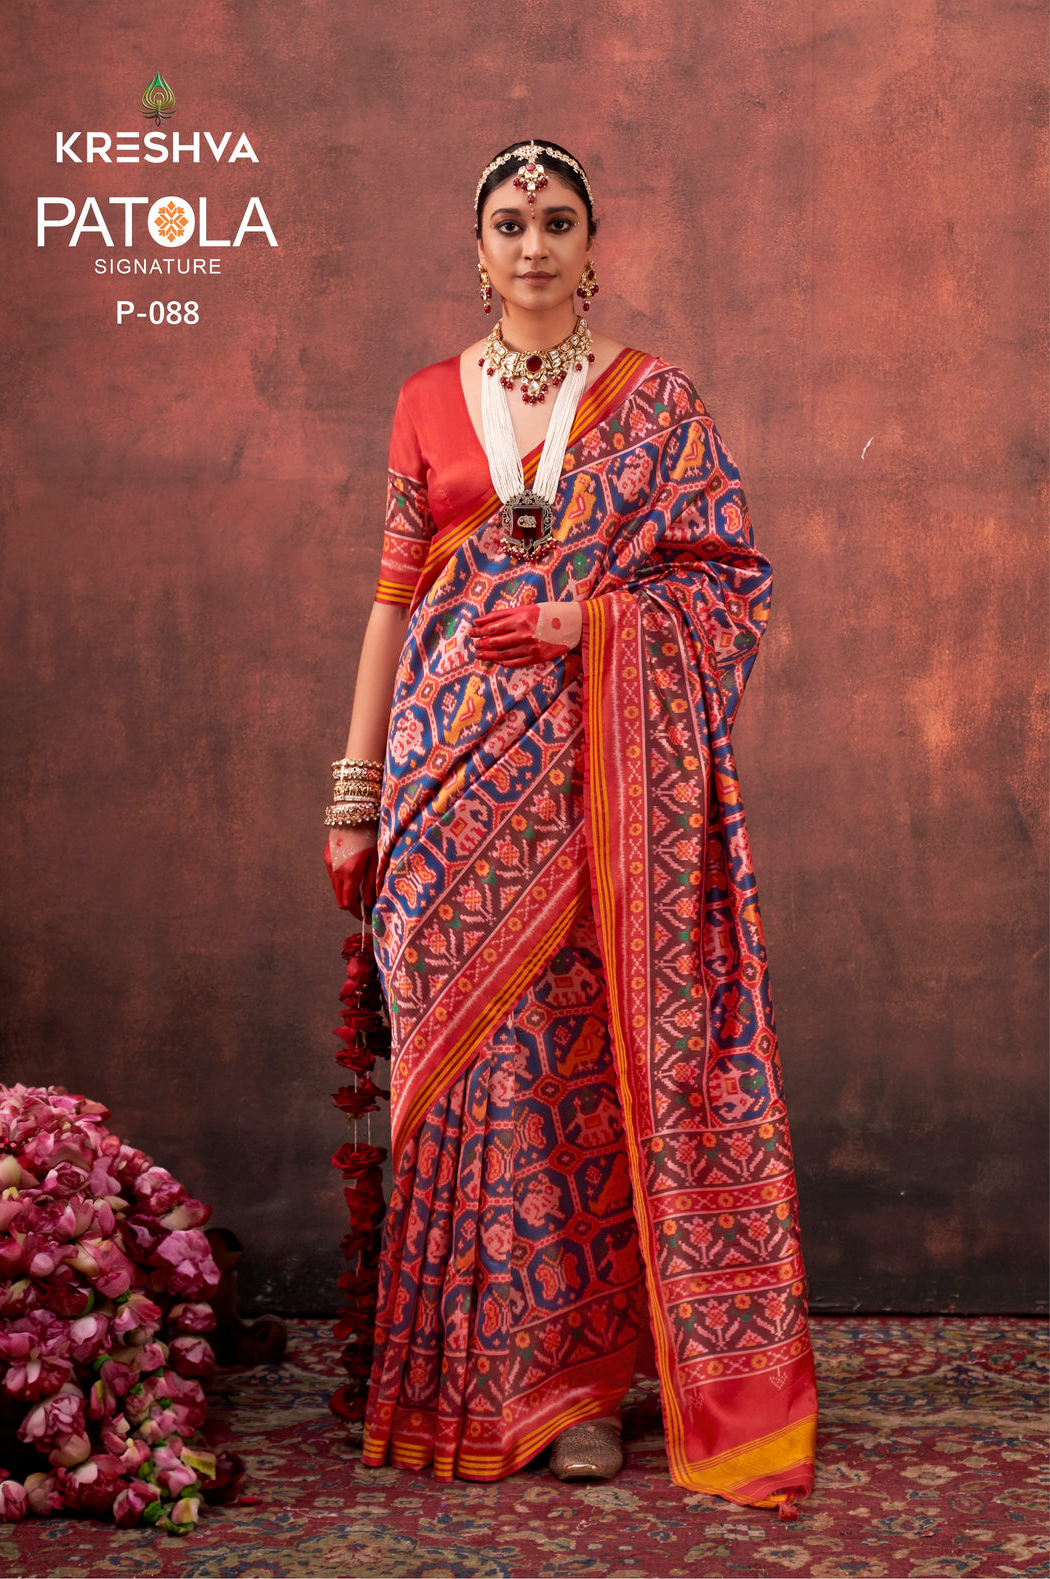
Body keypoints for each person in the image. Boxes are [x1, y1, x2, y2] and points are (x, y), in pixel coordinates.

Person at [325, 140, 817, 1511]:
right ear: (476, 248)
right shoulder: (427, 401)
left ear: (593, 244)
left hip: (598, 797)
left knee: (562, 1074)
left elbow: (727, 584)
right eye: (509, 222)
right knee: (461, 1074)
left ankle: (576, 1391)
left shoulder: (657, 402)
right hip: (438, 782)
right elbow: (392, 602)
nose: (532, 244)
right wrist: (356, 792)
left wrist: (583, 623)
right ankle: (463, 1376)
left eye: (556, 220)